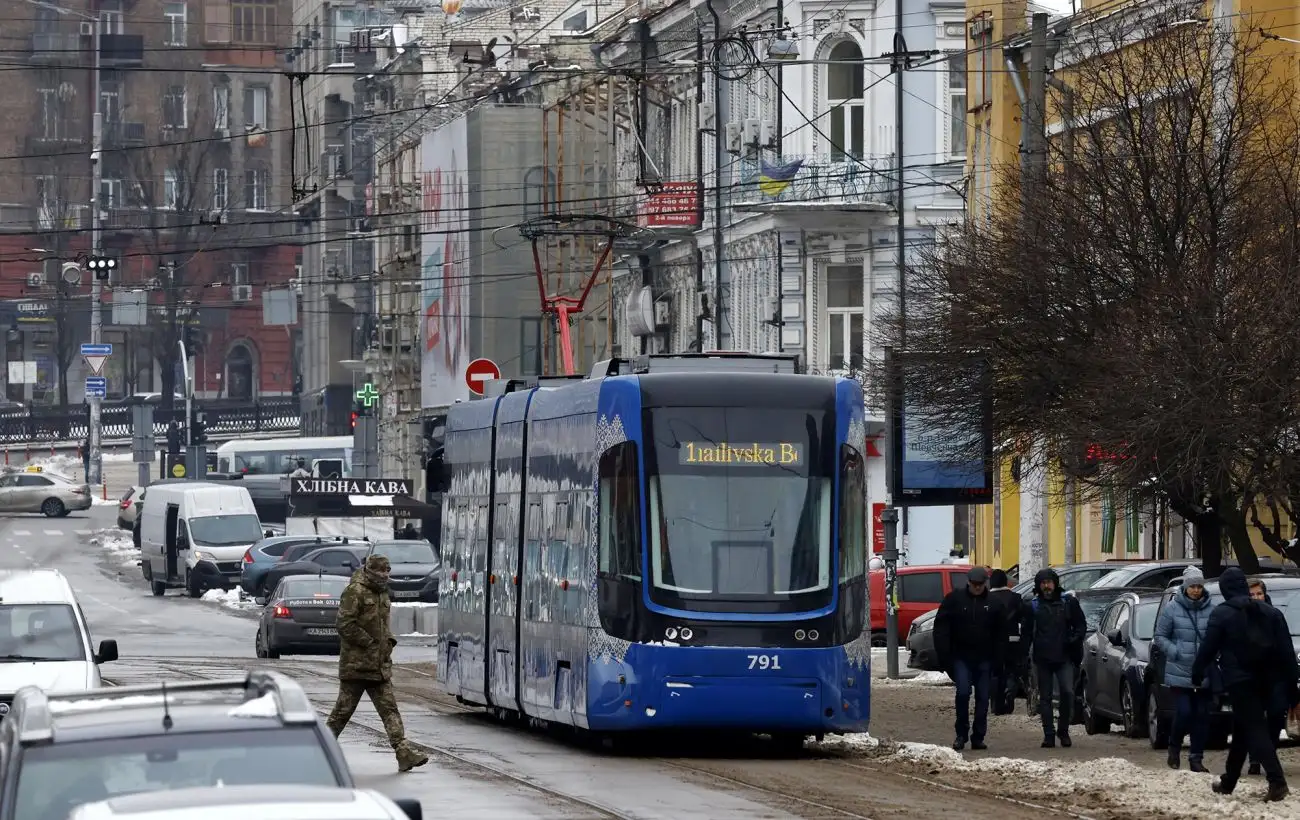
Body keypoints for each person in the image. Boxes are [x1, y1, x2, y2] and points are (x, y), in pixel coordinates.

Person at [1191, 567, 1294, 802]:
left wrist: (1197, 673)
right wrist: (1292, 686)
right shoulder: (1271, 613)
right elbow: (1287, 652)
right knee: (1242, 729)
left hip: (1241, 681)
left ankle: (1277, 782)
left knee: (1255, 727)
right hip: (1270, 680)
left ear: (1225, 590)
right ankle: (1229, 780)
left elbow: (1208, 649)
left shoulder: (1221, 614)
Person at [326, 553, 430, 773]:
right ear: (370, 571)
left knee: (390, 710)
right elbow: (344, 624)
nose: (385, 575)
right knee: (341, 714)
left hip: (379, 666)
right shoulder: (355, 591)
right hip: (356, 667)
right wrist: (369, 642)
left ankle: (403, 752)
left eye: (387, 571)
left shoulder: (382, 594)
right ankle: (319, 752)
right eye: (381, 571)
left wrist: (388, 641)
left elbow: (382, 625)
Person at [933, 566, 1006, 751]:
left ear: (985, 584)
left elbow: (1001, 633)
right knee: (963, 693)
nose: (977, 588)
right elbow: (941, 627)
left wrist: (999, 659)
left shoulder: (994, 603)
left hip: (985, 658)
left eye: (980, 585)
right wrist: (944, 655)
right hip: (961, 657)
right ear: (968, 582)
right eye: (974, 584)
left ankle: (978, 736)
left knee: (983, 697)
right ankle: (961, 734)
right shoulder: (954, 600)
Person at [1152, 566, 1215, 771]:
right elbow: (1160, 637)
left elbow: (1216, 636)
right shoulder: (1173, 608)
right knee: (1185, 712)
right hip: (1179, 669)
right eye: (1192, 586)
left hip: (1202, 671)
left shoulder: (1211, 608)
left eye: (1199, 586)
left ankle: (1196, 758)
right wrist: (1175, 651)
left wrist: (1213, 654)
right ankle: (1174, 747)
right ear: (1185, 587)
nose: (1196, 590)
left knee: (1202, 715)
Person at [1024, 568, 1087, 748]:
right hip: (1042, 658)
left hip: (1064, 657)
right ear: (1038, 585)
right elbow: (1027, 634)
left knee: (1068, 693)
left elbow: (1081, 626)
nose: (1046, 586)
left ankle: (1063, 730)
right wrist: (1021, 659)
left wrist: (1073, 640)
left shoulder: (1068, 602)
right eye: (1043, 583)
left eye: (1049, 582)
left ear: (1055, 583)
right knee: (1045, 698)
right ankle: (1048, 734)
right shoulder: (1033, 606)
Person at [1247, 579, 1289, 776]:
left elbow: (1285, 647)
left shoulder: (1275, 615)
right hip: (1252, 676)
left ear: (1265, 595)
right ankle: (1255, 758)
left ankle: (1268, 753)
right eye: (1252, 594)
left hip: (1275, 676)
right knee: (1254, 719)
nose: (1256, 598)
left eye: (1259, 594)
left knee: (1275, 716)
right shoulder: (1242, 617)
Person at [988, 568, 1026, 715]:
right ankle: (1009, 694)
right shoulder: (1016, 597)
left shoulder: (987, 599)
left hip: (993, 642)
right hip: (1013, 640)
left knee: (994, 673)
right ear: (1006, 582)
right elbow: (1023, 619)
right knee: (1011, 671)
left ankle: (995, 704)